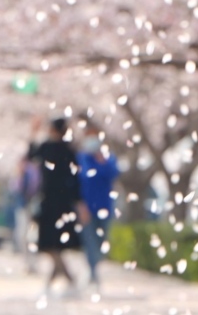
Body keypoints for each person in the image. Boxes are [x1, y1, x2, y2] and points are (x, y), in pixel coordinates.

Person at [27, 116, 90, 295]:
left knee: (50, 243)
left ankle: (65, 277)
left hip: (49, 202)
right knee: (56, 244)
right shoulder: (70, 150)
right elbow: (76, 180)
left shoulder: (48, 147)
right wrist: (79, 203)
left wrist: (33, 133)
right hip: (64, 203)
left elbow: (31, 155)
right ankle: (63, 277)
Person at [76, 123, 120, 290]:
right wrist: (80, 206)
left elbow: (114, 173)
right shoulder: (81, 158)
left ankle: (94, 268)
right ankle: (93, 272)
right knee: (89, 241)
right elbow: (77, 183)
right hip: (86, 208)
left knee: (101, 241)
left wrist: (102, 161)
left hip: (104, 207)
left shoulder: (108, 158)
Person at [9, 156, 41, 273]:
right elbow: (14, 189)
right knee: (22, 236)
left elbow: (34, 189)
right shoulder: (19, 174)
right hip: (22, 208)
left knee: (31, 236)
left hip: (31, 209)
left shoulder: (32, 172)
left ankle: (33, 263)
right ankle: (27, 262)